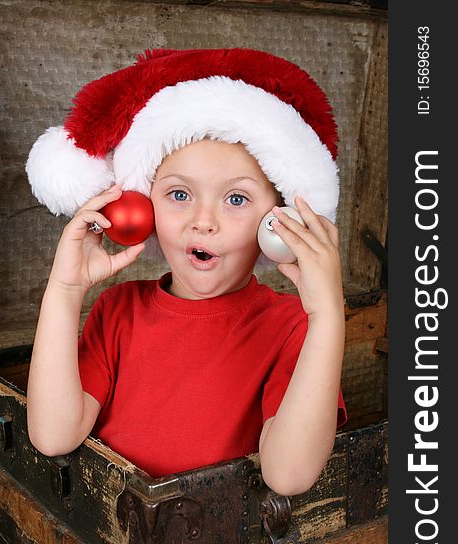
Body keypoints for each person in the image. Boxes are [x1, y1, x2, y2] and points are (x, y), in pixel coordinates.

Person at [25, 48, 346, 496]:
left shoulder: (294, 326)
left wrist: (328, 317)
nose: (203, 220)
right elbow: (52, 435)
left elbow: (288, 475)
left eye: (236, 199)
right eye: (179, 194)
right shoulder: (118, 310)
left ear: (279, 222)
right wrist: (64, 289)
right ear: (141, 204)